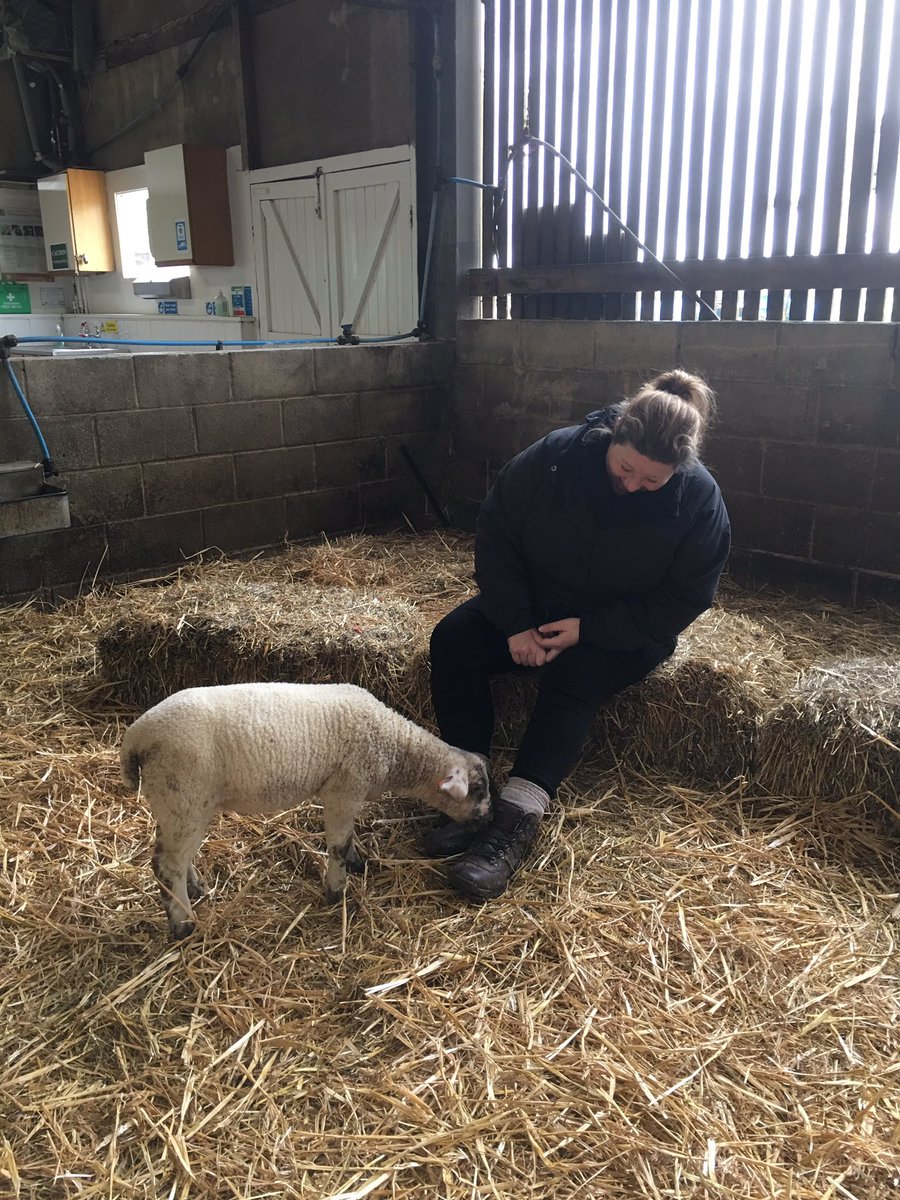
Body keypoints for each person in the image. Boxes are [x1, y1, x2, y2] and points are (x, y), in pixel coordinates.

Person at [427, 368, 731, 901]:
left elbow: (685, 597)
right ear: (615, 435)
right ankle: (470, 796)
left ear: (679, 470)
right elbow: (497, 532)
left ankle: (513, 826)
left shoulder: (699, 501)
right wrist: (516, 620)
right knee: (454, 639)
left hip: (622, 629)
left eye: (652, 481)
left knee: (576, 673)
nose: (633, 485)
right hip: (537, 607)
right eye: (625, 468)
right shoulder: (556, 456)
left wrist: (591, 629)